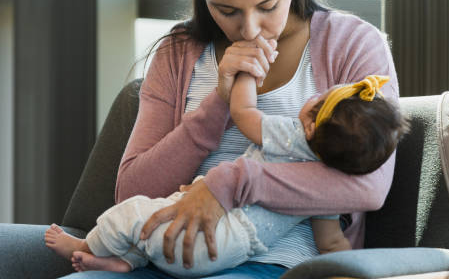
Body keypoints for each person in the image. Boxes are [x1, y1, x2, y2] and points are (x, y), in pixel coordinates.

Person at [0, 0, 397, 279]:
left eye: (268, 6)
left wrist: (231, 185)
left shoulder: (353, 46)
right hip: (157, 257)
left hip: (277, 265)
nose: (249, 28)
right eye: (227, 10)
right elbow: (132, 190)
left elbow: (368, 187)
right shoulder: (179, 52)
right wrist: (218, 102)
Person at [43, 75, 404, 277]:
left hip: (209, 232)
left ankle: (88, 245)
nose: (315, 95)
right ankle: (126, 261)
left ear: (311, 124)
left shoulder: (292, 135)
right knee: (153, 221)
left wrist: (245, 74)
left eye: (321, 98)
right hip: (231, 251)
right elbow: (332, 245)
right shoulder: (326, 191)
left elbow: (245, 113)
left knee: (135, 212)